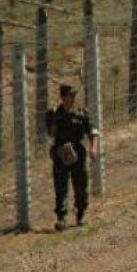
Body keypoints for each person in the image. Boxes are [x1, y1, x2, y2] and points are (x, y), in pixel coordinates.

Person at [44, 83, 100, 231]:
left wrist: (93, 147)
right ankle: (61, 218)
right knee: (60, 186)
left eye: (74, 95)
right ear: (62, 97)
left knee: (81, 185)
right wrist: (54, 122)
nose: (73, 98)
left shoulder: (81, 114)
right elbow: (50, 133)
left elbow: (93, 131)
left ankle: (80, 214)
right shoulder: (53, 113)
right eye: (70, 96)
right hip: (61, 152)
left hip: (77, 152)